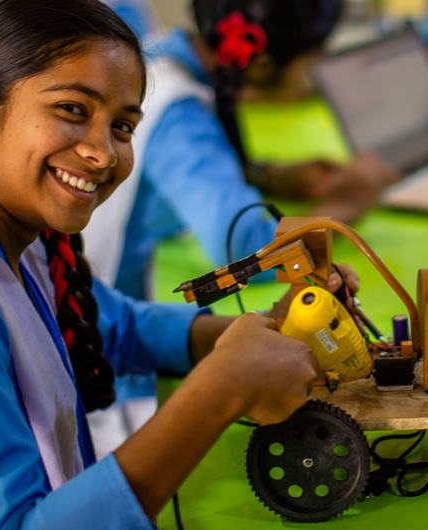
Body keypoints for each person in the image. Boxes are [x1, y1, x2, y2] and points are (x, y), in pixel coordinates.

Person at [0, 1, 357, 527]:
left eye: (122, 126)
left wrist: (262, 335)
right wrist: (219, 390)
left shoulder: (18, 240)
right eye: (72, 110)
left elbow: (108, 327)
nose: (102, 152)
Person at [81, 0, 394, 455]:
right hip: (105, 364)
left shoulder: (166, 56)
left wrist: (269, 176)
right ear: (263, 60)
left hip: (121, 319)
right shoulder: (177, 114)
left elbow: (181, 174)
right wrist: (343, 206)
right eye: (313, 58)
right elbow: (243, 245)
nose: (314, 70)